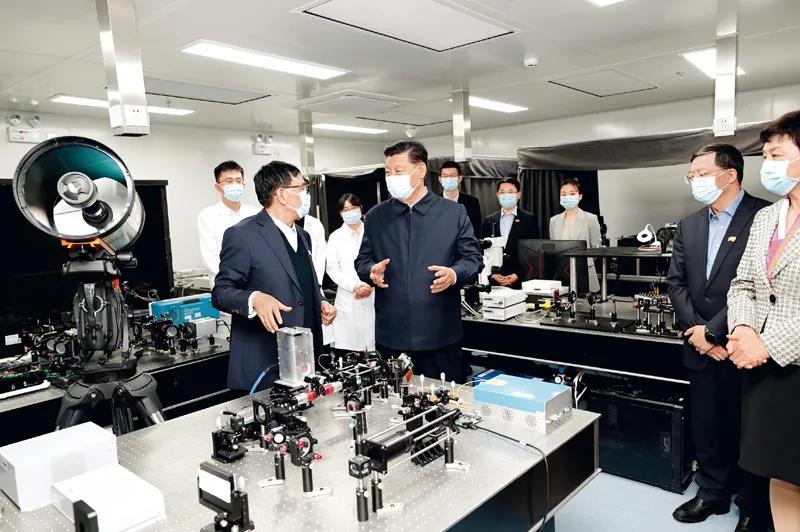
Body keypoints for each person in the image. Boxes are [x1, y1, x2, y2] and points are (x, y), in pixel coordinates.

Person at [666, 144, 771, 531]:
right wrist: (698, 333)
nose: (694, 181)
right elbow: (676, 283)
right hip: (699, 345)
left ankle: (752, 503)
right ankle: (712, 493)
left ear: (729, 175)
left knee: (749, 429)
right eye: (691, 175)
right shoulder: (689, 224)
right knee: (707, 425)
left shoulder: (765, 217)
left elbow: (759, 286)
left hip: (745, 344)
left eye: (701, 174)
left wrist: (714, 332)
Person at [355, 140, 482, 382]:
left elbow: (473, 258)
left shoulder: (453, 213)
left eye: (398, 171)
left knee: (444, 400)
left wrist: (454, 273)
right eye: (388, 172)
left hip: (440, 335)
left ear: (421, 170)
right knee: (393, 400)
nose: (392, 178)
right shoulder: (376, 216)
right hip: (392, 336)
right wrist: (370, 270)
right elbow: (362, 260)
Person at [727, 111, 800, 532]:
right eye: (766, 155)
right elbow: (744, 284)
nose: (767, 164)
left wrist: (767, 344)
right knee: (779, 470)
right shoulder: (767, 217)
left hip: (790, 359)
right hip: (766, 373)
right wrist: (743, 329)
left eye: (777, 154)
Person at [212, 161, 336, 392]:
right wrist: (255, 299)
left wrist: (320, 301)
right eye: (301, 188)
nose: (305, 194)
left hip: (305, 358)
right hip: (266, 360)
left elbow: (302, 282)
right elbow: (221, 293)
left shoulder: (303, 236)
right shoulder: (242, 235)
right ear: (281, 194)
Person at [326, 193, 375, 352]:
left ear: (360, 208)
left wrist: (369, 285)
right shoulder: (335, 237)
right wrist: (355, 286)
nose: (350, 212)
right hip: (348, 297)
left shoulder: (373, 232)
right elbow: (332, 269)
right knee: (349, 351)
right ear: (340, 213)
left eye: (353, 208)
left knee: (374, 348)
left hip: (372, 293)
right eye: (345, 210)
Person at [197, 161, 261, 279]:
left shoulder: (255, 213)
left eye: (238, 181)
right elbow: (209, 256)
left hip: (254, 280)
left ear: (243, 184)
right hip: (224, 281)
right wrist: (233, 277)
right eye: (229, 181)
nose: (235, 185)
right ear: (218, 187)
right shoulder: (207, 215)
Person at [481, 177, 539, 288]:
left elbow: (533, 252)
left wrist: (518, 275)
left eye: (510, 192)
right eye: (502, 192)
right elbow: (483, 252)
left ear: (518, 195)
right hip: (494, 281)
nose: (506, 195)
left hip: (519, 279)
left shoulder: (529, 219)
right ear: (497, 195)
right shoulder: (489, 220)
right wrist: (492, 274)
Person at [549, 177, 602, 293]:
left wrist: (582, 264)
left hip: (585, 273)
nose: (567, 197)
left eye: (572, 193)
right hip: (561, 274)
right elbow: (554, 248)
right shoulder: (554, 221)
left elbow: (596, 248)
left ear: (580, 196)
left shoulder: (591, 218)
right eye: (563, 194)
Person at [439, 161, 482, 238]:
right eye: (445, 176)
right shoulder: (433, 204)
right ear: (440, 179)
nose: (448, 179)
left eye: (452, 175)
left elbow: (476, 230)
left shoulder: (472, 202)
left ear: (460, 178)